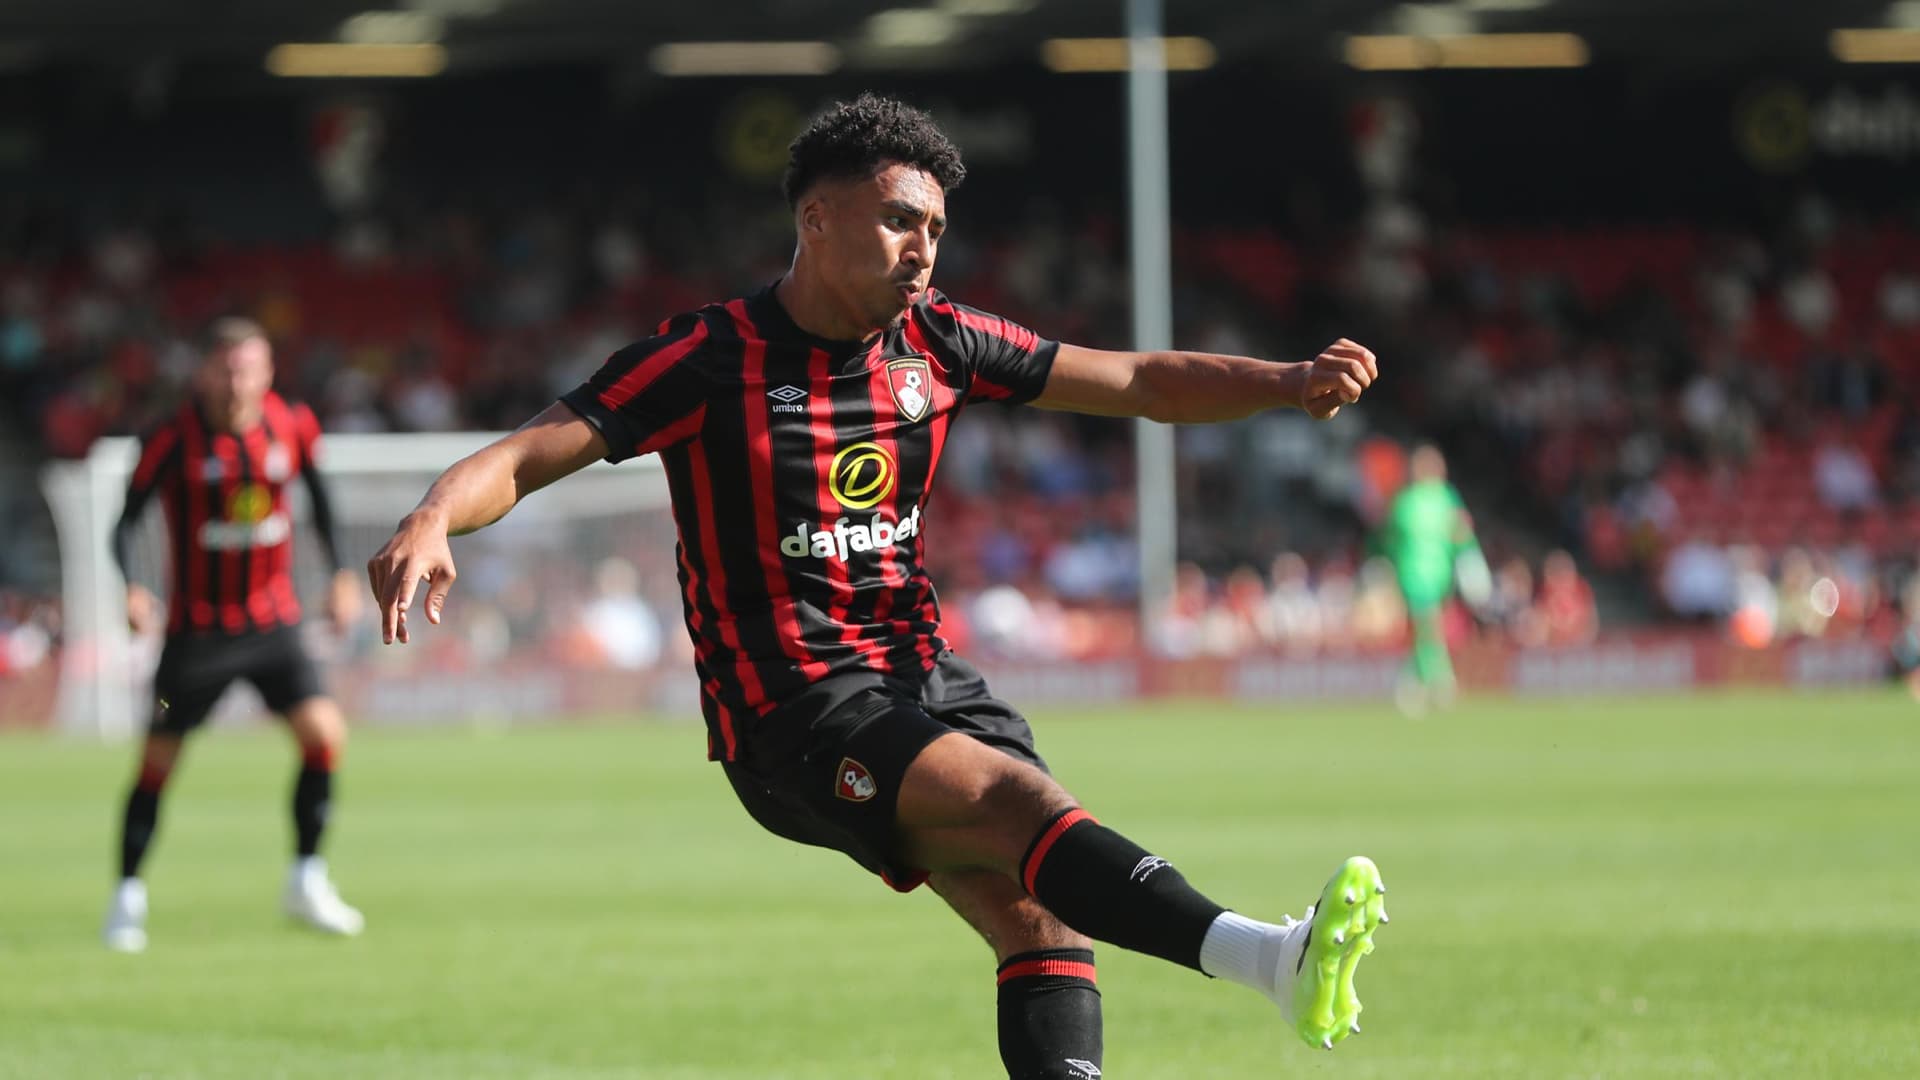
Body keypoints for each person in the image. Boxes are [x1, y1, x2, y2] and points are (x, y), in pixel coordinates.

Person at [367, 95, 1387, 1075]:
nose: (924, 248)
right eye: (900, 218)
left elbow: (1136, 380)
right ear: (816, 218)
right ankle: (1267, 956)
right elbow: (526, 455)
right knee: (1016, 801)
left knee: (1039, 920)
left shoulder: (940, 340)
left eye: (936, 227)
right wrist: (431, 515)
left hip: (923, 680)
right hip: (793, 712)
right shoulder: (707, 357)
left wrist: (1285, 382)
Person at [103, 316, 366, 952]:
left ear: (268, 372)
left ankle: (306, 876)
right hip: (195, 635)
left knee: (324, 736)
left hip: (274, 622)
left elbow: (322, 500)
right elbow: (126, 522)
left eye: (248, 367)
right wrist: (135, 585)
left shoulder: (292, 424)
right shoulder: (172, 436)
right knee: (158, 759)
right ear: (203, 372)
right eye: (225, 367)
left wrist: (338, 574)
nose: (236, 380)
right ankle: (127, 895)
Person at [1377, 443, 1488, 715]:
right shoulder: (1409, 500)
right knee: (1429, 627)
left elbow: (1460, 532)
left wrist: (1470, 561)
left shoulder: (1442, 498)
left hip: (1439, 575)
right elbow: (1391, 539)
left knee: (1426, 630)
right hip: (1415, 575)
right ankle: (1440, 681)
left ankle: (1410, 683)